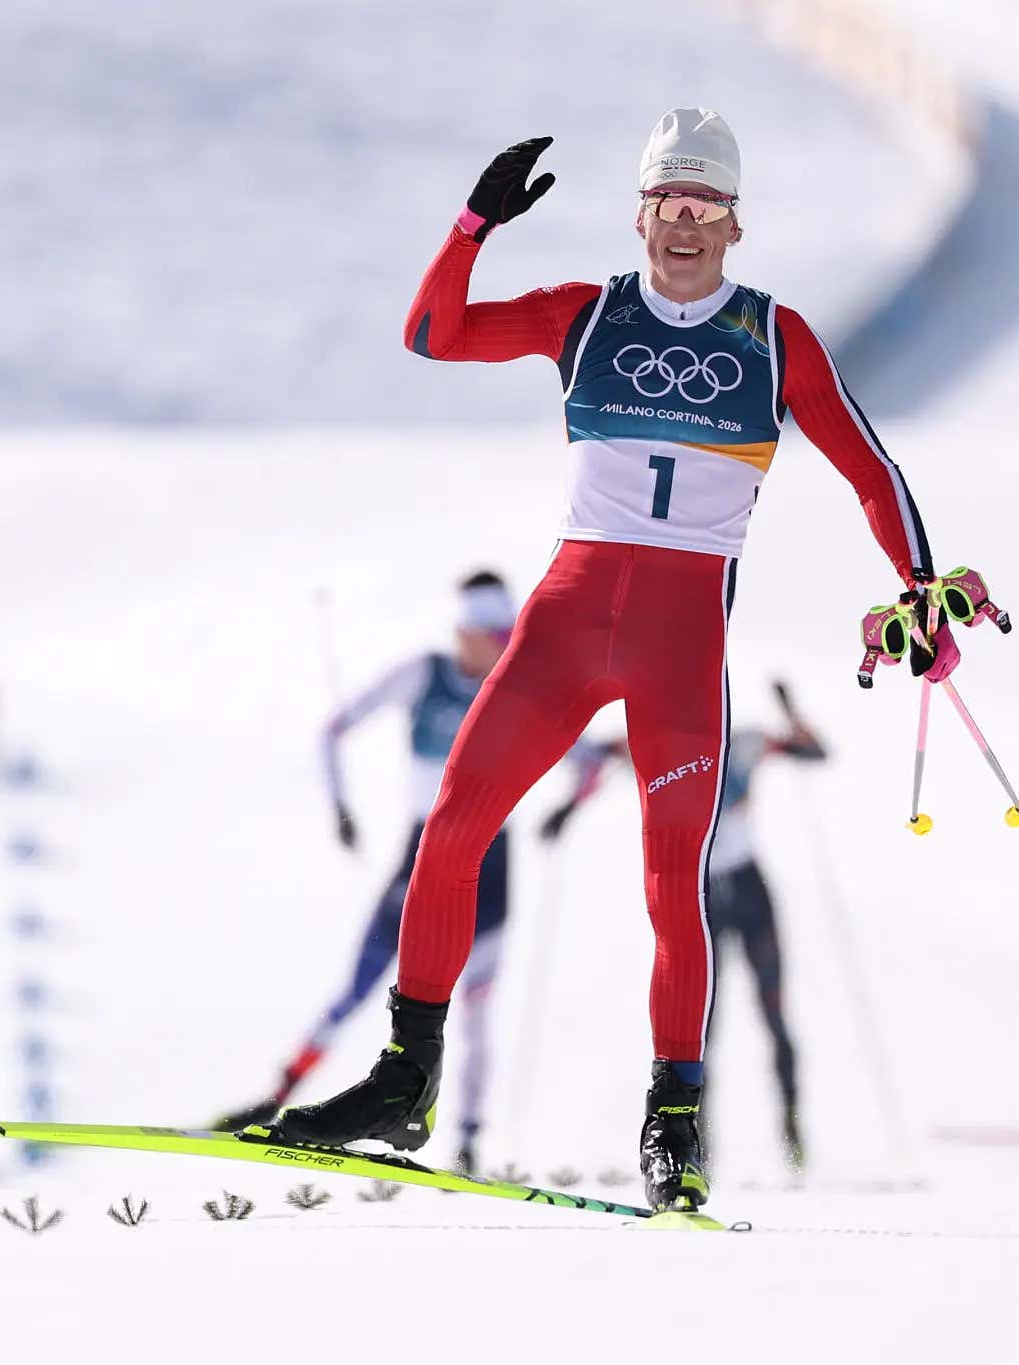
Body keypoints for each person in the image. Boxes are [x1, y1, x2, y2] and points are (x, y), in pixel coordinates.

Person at [262, 109, 948, 1215]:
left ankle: (674, 1125)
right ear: (639, 215)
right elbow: (433, 334)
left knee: (673, 884)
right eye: (667, 202)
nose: (684, 225)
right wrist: (473, 225)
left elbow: (871, 470)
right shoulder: (582, 314)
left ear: (734, 225)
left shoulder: (777, 338)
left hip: (681, 647)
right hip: (565, 624)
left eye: (705, 206)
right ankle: (404, 1081)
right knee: (451, 828)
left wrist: (923, 587)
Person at [214, 571, 524, 1175]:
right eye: (493, 635)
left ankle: (467, 1143)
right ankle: (278, 1096)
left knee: (477, 1010)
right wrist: (341, 808)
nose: (502, 646)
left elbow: (586, 757)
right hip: (424, 853)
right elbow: (334, 729)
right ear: (464, 631)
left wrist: (574, 800)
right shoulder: (425, 674)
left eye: (507, 635)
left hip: (493, 864)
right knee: (365, 985)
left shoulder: (515, 687)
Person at [538, 682, 827, 1173]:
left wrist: (791, 709)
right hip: (704, 894)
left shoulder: (745, 740)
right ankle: (698, 1142)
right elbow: (596, 756)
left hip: (748, 890)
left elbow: (814, 753)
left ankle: (792, 1126)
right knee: (701, 1025)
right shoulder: (663, 743)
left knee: (774, 1012)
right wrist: (566, 809)